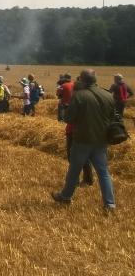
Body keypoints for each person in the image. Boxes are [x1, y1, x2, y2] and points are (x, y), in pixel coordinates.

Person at [52, 70, 116, 210]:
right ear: (95, 79)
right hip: (101, 140)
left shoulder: (79, 96)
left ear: (82, 80)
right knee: (103, 172)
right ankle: (110, 203)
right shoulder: (107, 94)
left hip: (82, 139)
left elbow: (68, 118)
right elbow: (113, 118)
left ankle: (66, 197)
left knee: (74, 169)